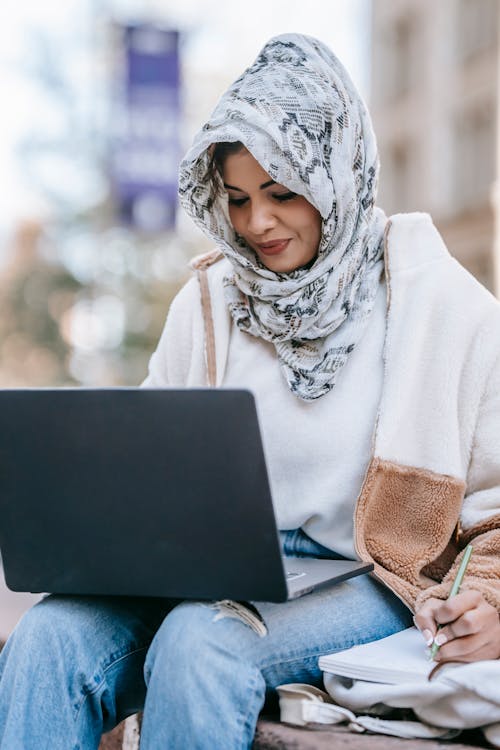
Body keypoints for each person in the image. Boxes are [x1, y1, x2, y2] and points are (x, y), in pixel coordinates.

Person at [1, 32, 500, 750]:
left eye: (281, 193)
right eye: (236, 198)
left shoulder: (445, 310)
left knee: (201, 644)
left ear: (335, 172)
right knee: (48, 636)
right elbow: (141, 464)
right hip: (201, 564)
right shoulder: (207, 302)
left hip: (365, 579)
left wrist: (486, 603)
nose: (256, 223)